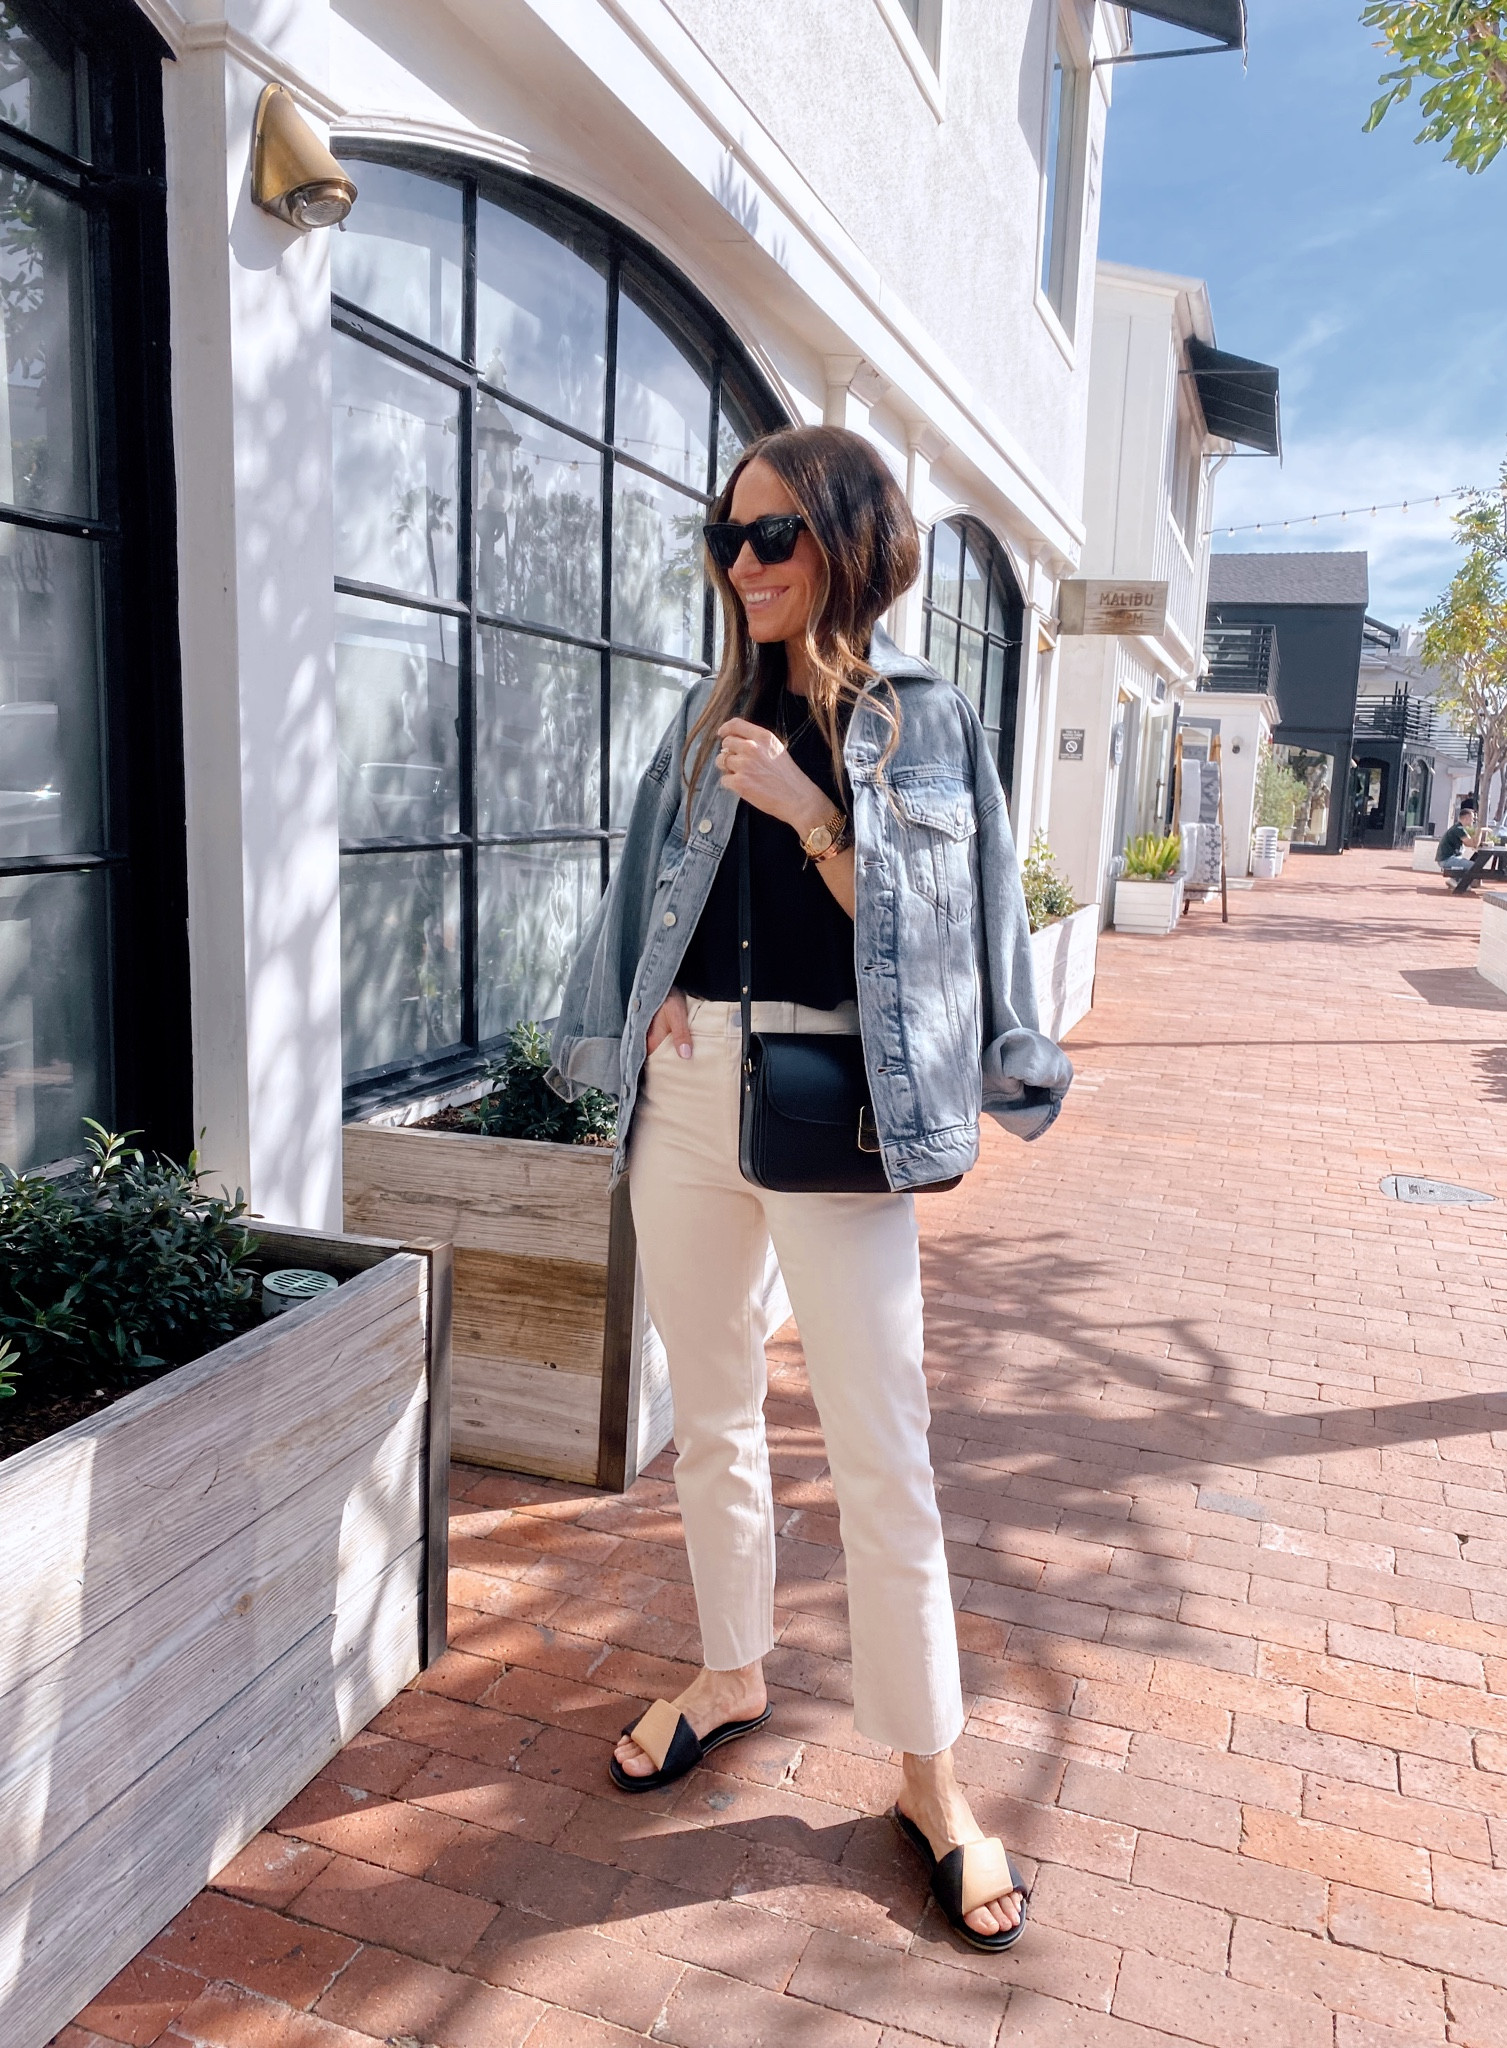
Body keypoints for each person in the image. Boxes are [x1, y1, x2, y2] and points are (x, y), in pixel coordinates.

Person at [547, 424, 1071, 1952]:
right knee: (707, 1409)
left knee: (879, 1441)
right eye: (729, 536)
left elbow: (940, 939)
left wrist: (808, 808)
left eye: (774, 535)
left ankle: (931, 1779)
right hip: (695, 1085)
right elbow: (641, 880)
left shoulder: (918, 720)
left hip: (840, 1099)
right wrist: (633, 1011)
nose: (745, 563)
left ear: (845, 542)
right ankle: (731, 1669)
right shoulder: (704, 711)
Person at [1437, 802, 1477, 877]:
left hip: (1447, 858)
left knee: (1471, 864)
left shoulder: (1459, 828)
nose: (1473, 821)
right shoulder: (1459, 829)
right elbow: (1471, 843)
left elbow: (1468, 843)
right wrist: (1480, 831)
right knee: (1474, 866)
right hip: (1447, 860)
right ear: (1466, 818)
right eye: (1472, 818)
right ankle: (1457, 881)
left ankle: (1457, 880)